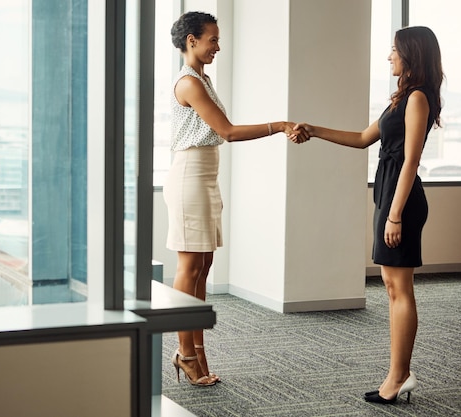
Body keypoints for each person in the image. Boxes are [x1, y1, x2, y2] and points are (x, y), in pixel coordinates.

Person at [292, 26, 444, 403]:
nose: (389, 56)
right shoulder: (402, 98)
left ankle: (398, 377)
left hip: (401, 200)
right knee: (392, 287)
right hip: (389, 194)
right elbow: (362, 138)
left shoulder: (418, 99)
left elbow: (412, 160)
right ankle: (398, 374)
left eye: (394, 51)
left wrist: (394, 215)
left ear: (411, 55)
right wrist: (314, 130)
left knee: (400, 288)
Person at [165, 11, 307, 387]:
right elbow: (226, 131)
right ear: (191, 40)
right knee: (189, 267)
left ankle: (195, 348)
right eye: (212, 39)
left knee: (204, 266)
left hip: (205, 175)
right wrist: (278, 125)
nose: (218, 46)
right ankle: (185, 353)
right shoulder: (188, 82)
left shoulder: (202, 79)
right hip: (190, 176)